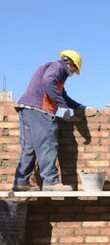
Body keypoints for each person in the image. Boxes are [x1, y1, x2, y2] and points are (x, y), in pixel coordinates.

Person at [13, 50, 86, 191]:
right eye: (74, 69)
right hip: (39, 109)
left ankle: (21, 183)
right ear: (69, 63)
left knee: (29, 148)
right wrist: (62, 106)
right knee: (47, 143)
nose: (73, 73)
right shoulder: (57, 67)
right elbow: (48, 82)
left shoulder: (57, 74)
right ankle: (51, 181)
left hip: (26, 109)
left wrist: (78, 106)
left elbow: (62, 95)